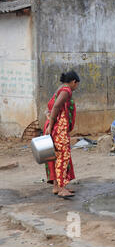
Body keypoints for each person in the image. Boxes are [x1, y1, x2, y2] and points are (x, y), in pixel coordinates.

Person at [43, 70, 80, 198]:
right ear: (74, 82)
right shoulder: (66, 91)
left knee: (55, 156)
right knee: (62, 156)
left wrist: (49, 125)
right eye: (77, 84)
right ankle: (62, 189)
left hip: (55, 127)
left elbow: (52, 108)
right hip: (59, 129)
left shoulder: (60, 89)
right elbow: (56, 107)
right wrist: (52, 126)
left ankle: (56, 186)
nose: (76, 87)